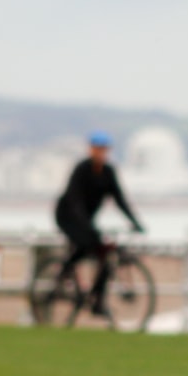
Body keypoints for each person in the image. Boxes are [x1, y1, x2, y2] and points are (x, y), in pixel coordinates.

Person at [54, 130, 145, 316]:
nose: (101, 152)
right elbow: (74, 200)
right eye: (97, 148)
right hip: (67, 216)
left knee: (106, 256)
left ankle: (97, 301)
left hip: (86, 220)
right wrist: (86, 225)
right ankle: (64, 270)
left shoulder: (108, 172)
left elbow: (120, 199)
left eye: (104, 149)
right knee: (86, 243)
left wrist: (135, 222)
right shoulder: (82, 169)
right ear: (91, 149)